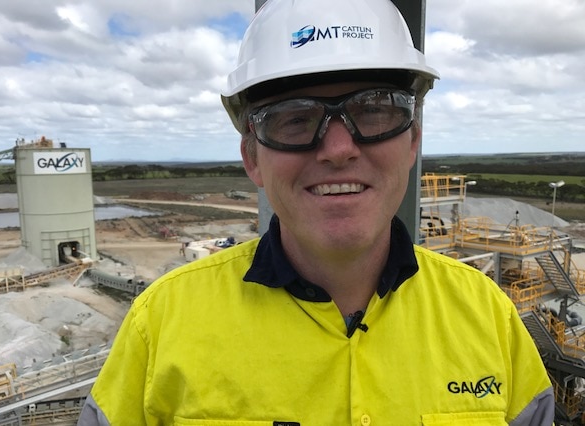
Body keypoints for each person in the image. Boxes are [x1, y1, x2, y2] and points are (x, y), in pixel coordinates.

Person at [78, 0, 554, 424]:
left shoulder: (488, 316)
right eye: (295, 118)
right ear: (252, 158)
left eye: (374, 109)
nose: (339, 148)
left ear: (413, 140)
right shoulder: (161, 325)